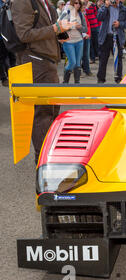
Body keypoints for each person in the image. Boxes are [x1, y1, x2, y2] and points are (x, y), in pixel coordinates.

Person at [11, 0, 74, 164]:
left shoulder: (46, 3)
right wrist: (54, 29)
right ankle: (43, 163)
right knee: (43, 114)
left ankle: (49, 158)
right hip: (36, 62)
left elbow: (46, 30)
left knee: (52, 111)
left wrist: (60, 34)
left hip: (47, 62)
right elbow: (24, 35)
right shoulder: (22, 2)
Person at [96, 0, 126, 83]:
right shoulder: (105, 7)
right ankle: (101, 79)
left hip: (118, 37)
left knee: (118, 59)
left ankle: (118, 78)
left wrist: (120, 24)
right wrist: (106, 6)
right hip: (106, 37)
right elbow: (99, 17)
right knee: (103, 59)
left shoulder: (124, 9)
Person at [59, 0, 88, 83]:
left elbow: (85, 29)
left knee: (78, 64)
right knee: (72, 62)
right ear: (72, 4)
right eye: (76, 3)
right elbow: (59, 26)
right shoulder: (66, 13)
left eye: (79, 3)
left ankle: (77, 83)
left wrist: (79, 27)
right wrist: (72, 26)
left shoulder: (81, 14)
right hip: (68, 42)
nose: (78, 5)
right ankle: (65, 82)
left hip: (79, 41)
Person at [81, 1, 93, 76]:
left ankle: (87, 70)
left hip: (87, 37)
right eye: (83, 6)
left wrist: (88, 34)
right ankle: (78, 71)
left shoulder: (84, 14)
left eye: (85, 6)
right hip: (80, 37)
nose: (85, 8)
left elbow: (88, 25)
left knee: (86, 54)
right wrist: (84, 34)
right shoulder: (77, 15)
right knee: (80, 55)